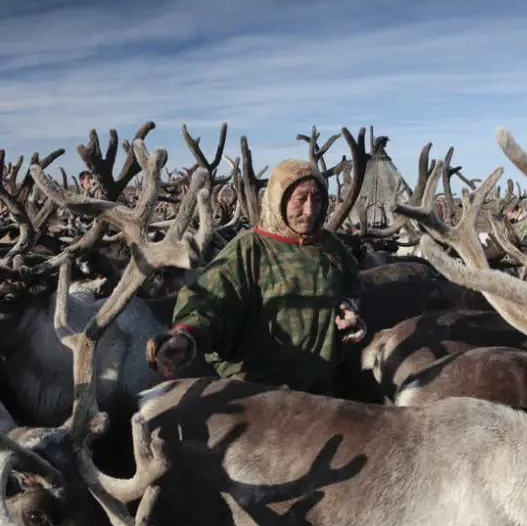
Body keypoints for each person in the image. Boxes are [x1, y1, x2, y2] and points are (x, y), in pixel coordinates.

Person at [145, 159, 366, 395]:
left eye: (318, 199)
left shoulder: (330, 246)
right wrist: (186, 336)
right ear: (279, 199)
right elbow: (209, 301)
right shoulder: (249, 248)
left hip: (320, 393)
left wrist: (348, 308)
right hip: (258, 394)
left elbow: (351, 285)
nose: (310, 210)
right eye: (300, 199)